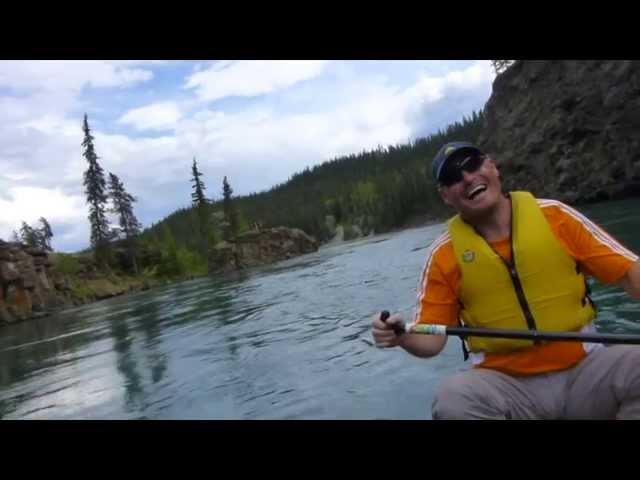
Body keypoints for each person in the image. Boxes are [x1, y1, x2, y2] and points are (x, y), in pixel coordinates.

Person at [372, 141, 640, 419]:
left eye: (472, 165)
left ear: (492, 166)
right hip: (507, 387)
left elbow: (632, 274)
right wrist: (400, 335)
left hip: (587, 371)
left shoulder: (556, 216)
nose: (466, 178)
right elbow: (431, 339)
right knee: (454, 400)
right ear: (445, 196)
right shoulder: (444, 254)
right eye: (452, 177)